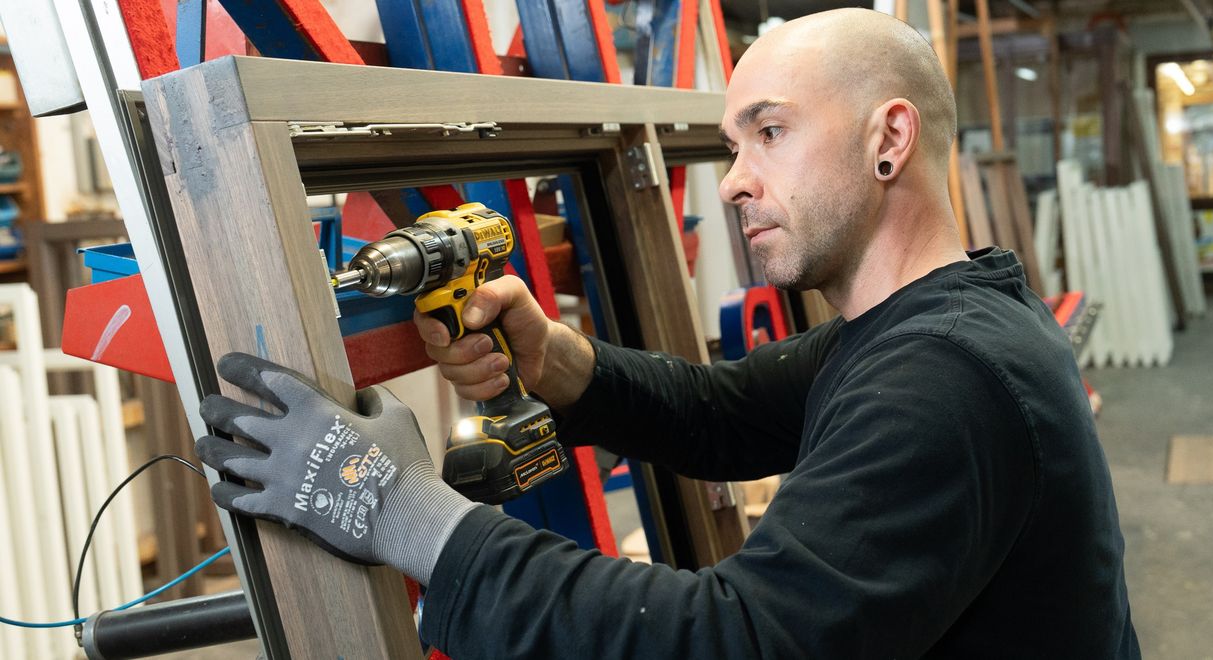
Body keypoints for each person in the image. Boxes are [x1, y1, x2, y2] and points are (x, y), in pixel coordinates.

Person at [195, 8, 1140, 658]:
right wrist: (559, 361)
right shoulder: (922, 325)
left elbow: (731, 643)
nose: (731, 180)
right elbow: (726, 413)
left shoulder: (949, 377)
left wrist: (396, 510)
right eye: (733, 145)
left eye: (768, 133)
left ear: (887, 140)